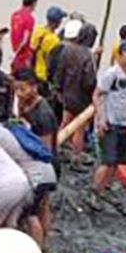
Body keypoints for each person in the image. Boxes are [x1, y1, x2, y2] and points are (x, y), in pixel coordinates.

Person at [0, 120, 57, 246]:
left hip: (34, 176)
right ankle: (44, 247)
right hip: (47, 170)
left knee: (30, 216)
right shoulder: (8, 129)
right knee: (42, 208)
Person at [90, 43, 126, 190]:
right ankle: (95, 190)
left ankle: (106, 188)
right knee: (107, 160)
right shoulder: (111, 74)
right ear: (120, 55)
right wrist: (100, 118)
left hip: (123, 124)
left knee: (116, 161)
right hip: (110, 122)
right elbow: (97, 95)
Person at [49, 20, 96, 158]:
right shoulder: (88, 55)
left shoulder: (68, 50)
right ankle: (76, 156)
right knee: (79, 128)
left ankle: (54, 148)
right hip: (81, 97)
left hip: (68, 94)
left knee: (65, 123)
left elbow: (60, 71)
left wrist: (59, 89)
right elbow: (89, 80)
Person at [13, 69, 58, 154]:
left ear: (34, 87)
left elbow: (46, 149)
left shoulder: (44, 114)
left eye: (22, 89)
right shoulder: (23, 102)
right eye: (16, 89)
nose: (18, 93)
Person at [31, 6, 65, 83]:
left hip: (34, 71)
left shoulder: (38, 30)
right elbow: (53, 61)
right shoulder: (54, 40)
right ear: (57, 22)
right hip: (43, 75)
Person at [10, 0, 39, 75]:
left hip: (15, 57)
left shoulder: (14, 15)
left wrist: (14, 54)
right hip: (24, 58)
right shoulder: (29, 18)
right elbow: (25, 39)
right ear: (34, 3)